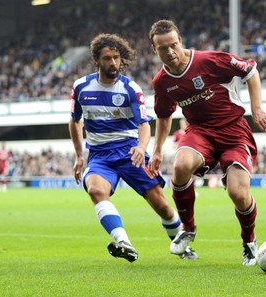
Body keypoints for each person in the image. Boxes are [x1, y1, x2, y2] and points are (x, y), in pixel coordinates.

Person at [148, 20, 266, 266]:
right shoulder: (161, 82)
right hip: (200, 132)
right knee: (181, 165)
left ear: (180, 40)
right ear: (155, 50)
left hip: (233, 131)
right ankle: (188, 228)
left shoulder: (208, 60)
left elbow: (251, 71)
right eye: (163, 48)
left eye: (174, 45)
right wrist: (157, 151)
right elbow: (164, 116)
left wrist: (256, 108)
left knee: (238, 193)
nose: (170, 52)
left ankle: (249, 241)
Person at [68, 33, 197, 263]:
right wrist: (79, 156)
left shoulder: (130, 88)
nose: (113, 63)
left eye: (117, 58)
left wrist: (141, 146)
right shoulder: (81, 87)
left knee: (162, 205)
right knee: (96, 191)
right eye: (107, 58)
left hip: (130, 151)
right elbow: (75, 121)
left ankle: (182, 246)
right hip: (99, 155)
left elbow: (144, 124)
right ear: (97, 60)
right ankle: (123, 242)